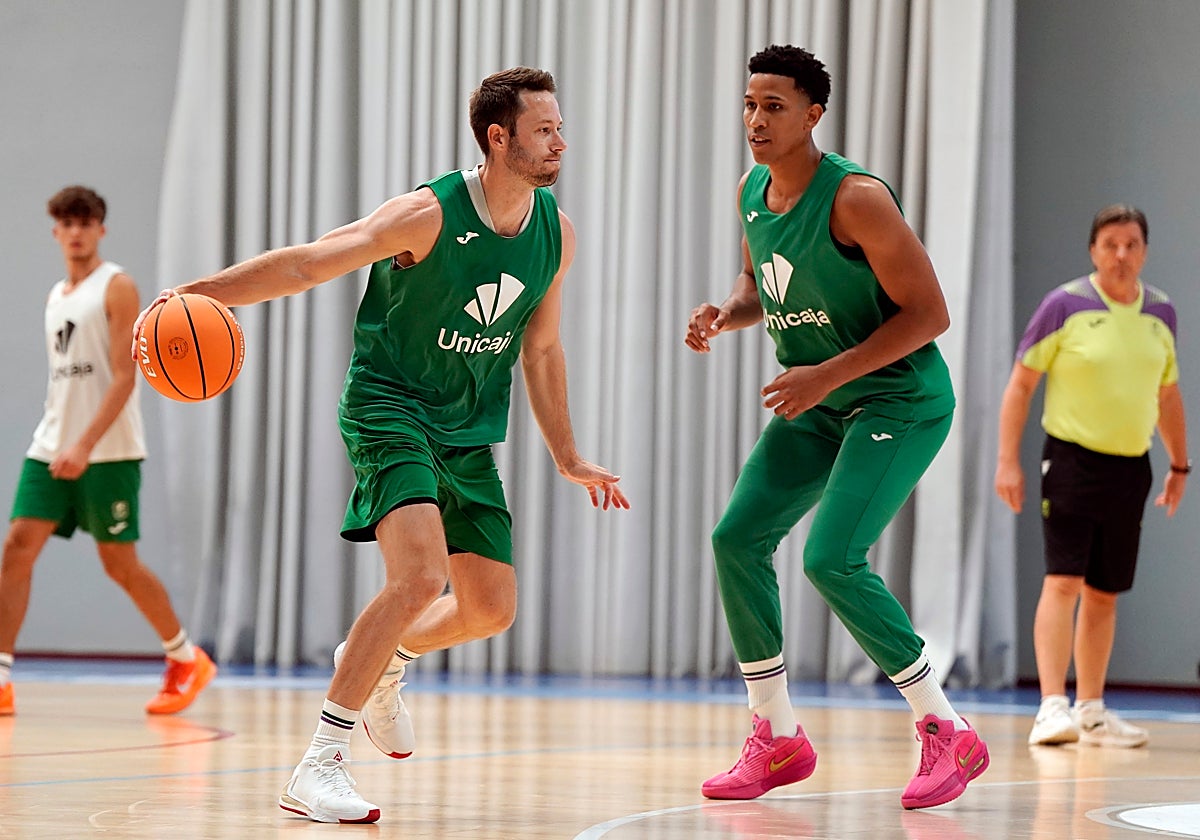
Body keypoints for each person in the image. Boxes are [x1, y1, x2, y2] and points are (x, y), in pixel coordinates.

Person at [132, 67, 629, 825]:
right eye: (544, 129)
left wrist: (566, 453)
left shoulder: (554, 232)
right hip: (387, 406)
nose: (561, 140)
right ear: (500, 138)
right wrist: (199, 294)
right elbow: (308, 261)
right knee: (420, 576)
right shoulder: (427, 214)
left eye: (560, 127)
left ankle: (386, 658)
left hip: (465, 429)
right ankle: (318, 764)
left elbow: (543, 349)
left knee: (490, 609)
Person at [685, 45, 987, 811]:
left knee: (832, 559)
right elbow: (762, 287)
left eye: (775, 106)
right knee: (735, 540)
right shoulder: (754, 192)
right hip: (819, 400)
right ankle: (777, 735)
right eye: (750, 104)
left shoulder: (856, 198)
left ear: (814, 114)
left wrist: (825, 375)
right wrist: (726, 312)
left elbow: (931, 315)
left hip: (898, 400)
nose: (756, 119)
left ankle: (945, 728)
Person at [0, 186, 217, 718]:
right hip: (51, 443)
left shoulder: (116, 287)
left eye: (86, 222)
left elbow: (126, 378)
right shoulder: (57, 295)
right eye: (67, 223)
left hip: (109, 450)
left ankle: (186, 658)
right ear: (55, 232)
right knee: (16, 551)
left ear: (101, 229)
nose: (76, 231)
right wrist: (61, 439)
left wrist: (84, 444)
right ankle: (2, 674)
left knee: (119, 564)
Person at [995, 204, 1187, 749]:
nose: (1121, 255)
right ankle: (1051, 707)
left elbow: (1168, 395)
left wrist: (1179, 464)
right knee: (1064, 580)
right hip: (1072, 460)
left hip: (1133, 467)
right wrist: (1008, 460)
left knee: (1105, 592)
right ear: (1093, 250)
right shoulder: (1064, 305)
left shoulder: (1162, 314)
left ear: (1144, 251)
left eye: (1131, 244)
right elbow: (1021, 384)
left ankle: (1093, 710)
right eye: (1110, 244)